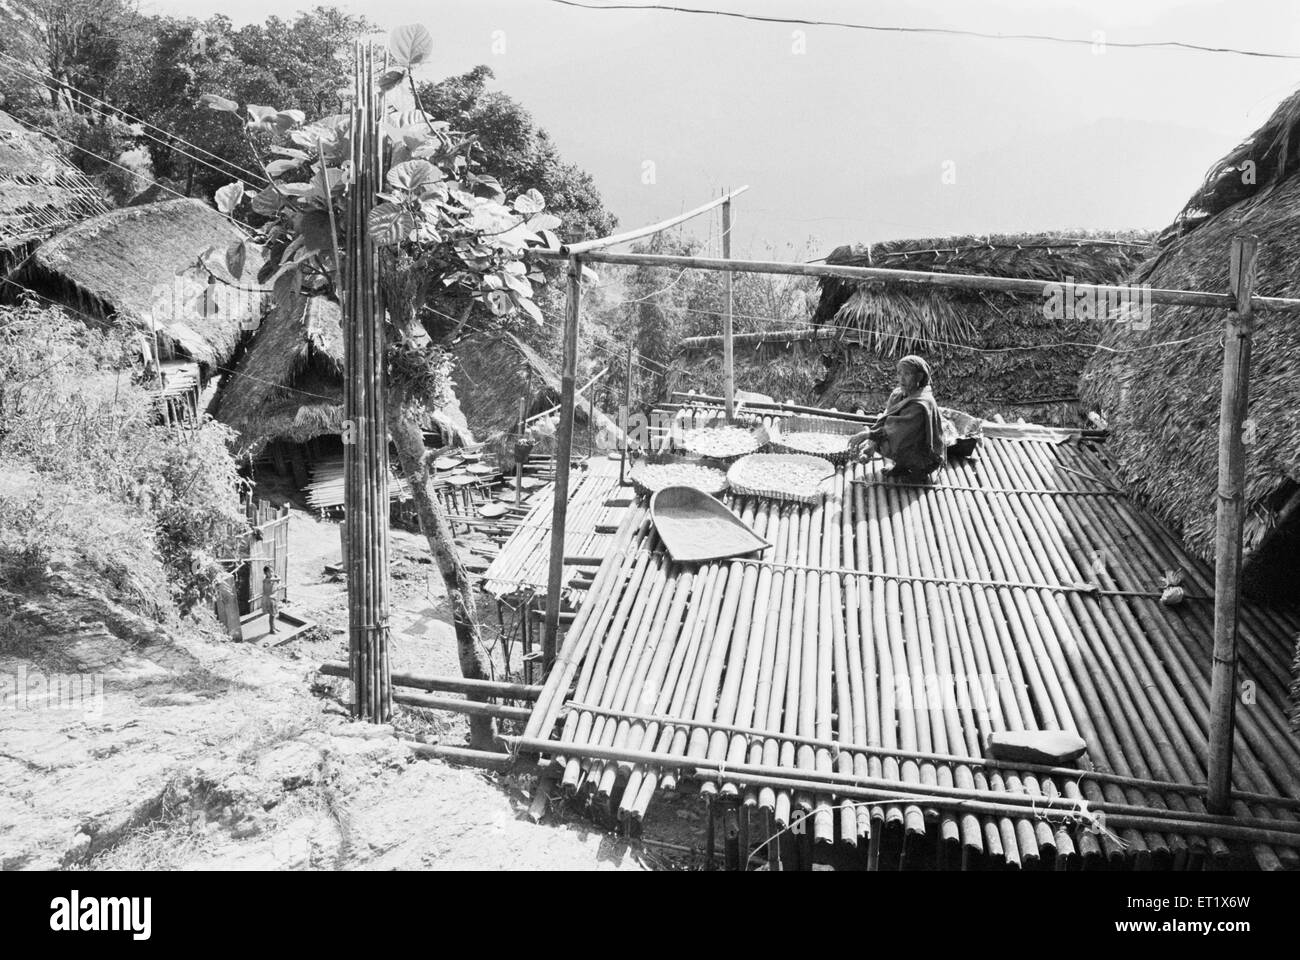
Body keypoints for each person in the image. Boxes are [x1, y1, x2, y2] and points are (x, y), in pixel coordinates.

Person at [849, 354, 946, 481]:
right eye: (899, 373)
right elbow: (884, 420)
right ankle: (902, 465)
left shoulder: (921, 403)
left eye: (907, 374)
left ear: (919, 376)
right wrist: (870, 446)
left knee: (890, 441)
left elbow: (896, 432)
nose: (901, 379)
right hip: (908, 445)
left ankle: (919, 470)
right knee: (882, 438)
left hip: (924, 454)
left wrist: (867, 435)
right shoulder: (898, 395)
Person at [261, 565, 282, 634]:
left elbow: (279, 582)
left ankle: (273, 627)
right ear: (265, 573)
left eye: (272, 571)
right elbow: (279, 579)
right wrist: (278, 579)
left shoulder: (272, 578)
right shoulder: (266, 580)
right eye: (269, 572)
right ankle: (271, 630)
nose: (271, 573)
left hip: (273, 599)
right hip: (269, 600)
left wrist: (278, 586)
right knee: (272, 615)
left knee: (274, 614)